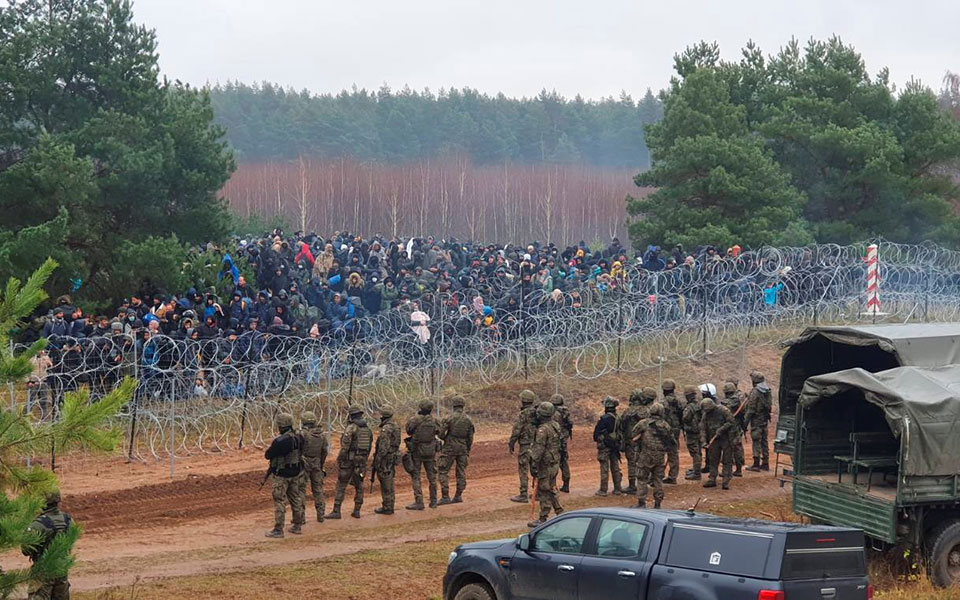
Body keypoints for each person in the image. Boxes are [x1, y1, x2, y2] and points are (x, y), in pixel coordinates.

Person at [22, 490, 72, 600]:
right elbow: (70, 543)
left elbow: (25, 550)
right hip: (62, 570)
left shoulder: (38, 525)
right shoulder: (68, 520)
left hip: (42, 571)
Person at [327, 405, 373, 519]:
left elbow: (344, 448)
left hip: (349, 461)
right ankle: (357, 510)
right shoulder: (367, 429)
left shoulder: (351, 428)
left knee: (341, 485)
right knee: (359, 485)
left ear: (351, 416)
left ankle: (336, 511)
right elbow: (369, 446)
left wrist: (340, 459)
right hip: (361, 461)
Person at [264, 413, 305, 538]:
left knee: (279, 501)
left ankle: (278, 529)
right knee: (295, 499)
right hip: (295, 472)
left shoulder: (280, 441)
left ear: (281, 426)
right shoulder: (299, 437)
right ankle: (297, 525)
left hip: (281, 474)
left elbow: (268, 455)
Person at [631, 403, 675, 508]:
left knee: (642, 479)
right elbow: (672, 441)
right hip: (659, 457)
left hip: (645, 455)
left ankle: (641, 503)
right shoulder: (665, 425)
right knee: (658, 480)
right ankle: (658, 504)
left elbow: (633, 433)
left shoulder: (644, 423)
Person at [528, 402, 564, 527]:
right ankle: (559, 511)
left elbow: (538, 450)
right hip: (554, 461)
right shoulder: (555, 425)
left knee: (544, 490)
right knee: (551, 487)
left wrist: (533, 465)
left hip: (546, 464)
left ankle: (543, 518)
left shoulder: (543, 430)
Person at [437, 395, 475, 505]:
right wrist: (467, 448)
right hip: (463, 447)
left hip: (449, 447)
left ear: (453, 405)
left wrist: (445, 438)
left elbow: (441, 434)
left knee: (443, 470)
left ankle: (445, 496)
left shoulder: (449, 418)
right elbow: (470, 437)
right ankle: (458, 495)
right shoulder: (468, 419)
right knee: (461, 472)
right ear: (463, 405)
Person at [404, 400, 440, 510]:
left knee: (416, 476)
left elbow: (409, 431)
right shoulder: (435, 421)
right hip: (430, 451)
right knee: (432, 477)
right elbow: (439, 431)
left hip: (417, 451)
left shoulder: (415, 420)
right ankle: (433, 501)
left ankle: (419, 501)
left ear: (420, 408)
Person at [699, 386, 735, 490]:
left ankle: (726, 481)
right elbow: (702, 428)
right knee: (713, 459)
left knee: (727, 460)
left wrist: (721, 429)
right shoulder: (706, 414)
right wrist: (703, 441)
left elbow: (731, 422)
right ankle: (712, 478)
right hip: (713, 439)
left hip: (726, 439)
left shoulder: (723, 410)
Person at [508, 390, 538, 503]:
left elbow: (517, 429)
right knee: (535, 469)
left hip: (525, 445)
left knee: (523, 469)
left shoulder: (523, 414)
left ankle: (523, 494)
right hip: (536, 445)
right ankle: (537, 492)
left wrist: (511, 442)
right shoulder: (537, 413)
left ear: (523, 400)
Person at [298, 411, 328, 523]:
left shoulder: (302, 434)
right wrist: (321, 464)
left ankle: (300, 517)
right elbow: (324, 451)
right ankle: (321, 515)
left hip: (304, 462)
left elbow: (298, 449)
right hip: (317, 462)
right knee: (318, 490)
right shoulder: (321, 435)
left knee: (301, 490)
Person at [592, 396, 623, 496]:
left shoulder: (604, 419)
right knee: (615, 466)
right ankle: (617, 488)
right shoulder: (618, 418)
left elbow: (596, 435)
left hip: (605, 446)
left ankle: (603, 490)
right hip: (615, 445)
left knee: (604, 468)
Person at [373, 406, 401, 515]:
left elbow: (383, 447)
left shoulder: (386, 428)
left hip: (386, 458)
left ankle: (387, 506)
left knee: (386, 482)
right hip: (392, 455)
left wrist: (377, 461)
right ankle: (389, 504)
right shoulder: (395, 426)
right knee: (389, 480)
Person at [743, 371, 773, 471]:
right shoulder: (767, 390)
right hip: (764, 419)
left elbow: (751, 409)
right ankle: (765, 463)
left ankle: (756, 464)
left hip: (756, 420)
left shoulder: (755, 392)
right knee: (764, 441)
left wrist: (745, 423)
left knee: (756, 441)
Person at [721, 381, 746, 477]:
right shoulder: (738, 401)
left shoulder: (731, 401)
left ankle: (733, 470)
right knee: (736, 448)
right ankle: (736, 469)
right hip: (735, 427)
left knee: (730, 448)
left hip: (731, 428)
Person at [661, 379, 683, 484]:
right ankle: (673, 476)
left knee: (661, 452)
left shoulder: (663, 402)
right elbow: (681, 415)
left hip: (665, 429)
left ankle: (659, 475)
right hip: (676, 429)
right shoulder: (678, 401)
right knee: (673, 453)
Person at [550, 394, 574, 493]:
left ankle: (553, 485)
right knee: (564, 462)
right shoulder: (565, 412)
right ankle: (566, 485)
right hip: (563, 440)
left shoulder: (554, 413)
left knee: (554, 462)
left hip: (556, 440)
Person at [681, 385, 703, 480]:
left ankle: (697, 474)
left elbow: (686, 418)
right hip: (699, 431)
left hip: (692, 432)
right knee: (698, 452)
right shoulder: (699, 404)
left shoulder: (690, 407)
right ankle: (696, 469)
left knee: (695, 453)